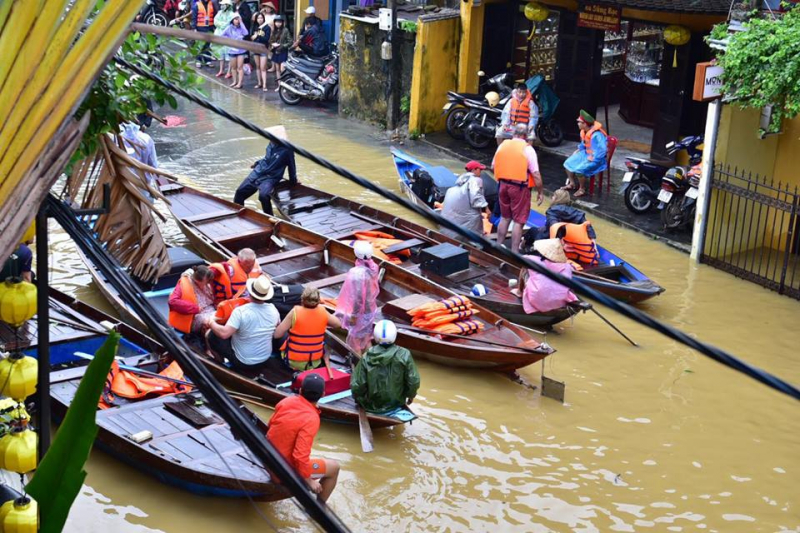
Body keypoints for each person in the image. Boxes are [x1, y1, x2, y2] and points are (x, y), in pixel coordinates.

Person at [267, 373, 340, 503]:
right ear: (323, 394)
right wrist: (308, 480)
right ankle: (319, 509)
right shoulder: (311, 418)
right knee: (334, 468)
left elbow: (270, 426)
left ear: (300, 390)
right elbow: (300, 455)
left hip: (266, 456)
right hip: (282, 470)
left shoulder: (286, 401)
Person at [206, 274, 281, 371]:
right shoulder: (273, 309)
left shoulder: (240, 311)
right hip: (265, 358)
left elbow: (224, 334)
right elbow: (277, 327)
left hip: (244, 362)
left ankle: (220, 365)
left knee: (211, 335)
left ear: (250, 292)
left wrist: (211, 322)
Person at [492, 123, 544, 253]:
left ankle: (498, 245)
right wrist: (540, 192)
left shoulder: (503, 145)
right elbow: (536, 174)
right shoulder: (528, 149)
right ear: (526, 136)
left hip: (503, 185)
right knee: (519, 221)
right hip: (519, 188)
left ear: (514, 133)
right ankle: (515, 252)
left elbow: (493, 166)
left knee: (505, 217)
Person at [351, 320, 420, 414]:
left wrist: (358, 400)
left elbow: (357, 386)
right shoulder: (404, 354)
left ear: (375, 336)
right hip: (396, 403)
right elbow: (413, 381)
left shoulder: (366, 356)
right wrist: (411, 396)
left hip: (370, 405)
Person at [274, 287, 342, 371]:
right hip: (314, 363)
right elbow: (338, 324)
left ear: (302, 300)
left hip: (292, 363)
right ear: (318, 301)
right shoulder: (323, 311)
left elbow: (277, 335)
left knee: (283, 334)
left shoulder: (294, 312)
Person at [233, 125, 297, 215]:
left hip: (271, 177)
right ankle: (238, 214)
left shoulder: (288, 150)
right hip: (258, 172)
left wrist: (293, 182)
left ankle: (269, 217)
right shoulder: (271, 143)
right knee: (240, 192)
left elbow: (292, 166)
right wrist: (257, 163)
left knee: (263, 196)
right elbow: (267, 158)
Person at [335, 241, 380, 355]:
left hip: (361, 313)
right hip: (371, 310)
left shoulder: (357, 274)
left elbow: (358, 298)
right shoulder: (374, 268)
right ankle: (371, 365)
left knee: (354, 342)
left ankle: (359, 369)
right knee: (366, 338)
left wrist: (354, 316)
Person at [511, 238, 578, 314]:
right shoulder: (568, 266)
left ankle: (519, 292)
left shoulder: (532, 259)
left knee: (525, 268)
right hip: (559, 301)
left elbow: (519, 258)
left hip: (537, 299)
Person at [523, 189, 597, 249]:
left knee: (532, 230)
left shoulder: (551, 211)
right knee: (541, 229)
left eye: (553, 196)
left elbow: (555, 227)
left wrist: (561, 244)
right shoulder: (575, 212)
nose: (552, 197)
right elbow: (588, 226)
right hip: (569, 239)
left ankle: (521, 247)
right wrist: (594, 243)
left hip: (551, 241)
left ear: (557, 198)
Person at [563, 110, 608, 198]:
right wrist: (578, 150)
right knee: (567, 163)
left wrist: (594, 159)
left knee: (579, 170)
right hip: (586, 154)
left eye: (579, 122)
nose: (578, 124)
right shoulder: (585, 132)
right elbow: (584, 144)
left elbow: (603, 150)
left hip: (597, 158)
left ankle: (582, 189)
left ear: (585, 124)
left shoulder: (597, 135)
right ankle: (572, 183)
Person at [440, 160, 489, 241]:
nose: (481, 172)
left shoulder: (459, 181)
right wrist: (487, 208)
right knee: (476, 216)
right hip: (466, 220)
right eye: (480, 170)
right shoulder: (476, 180)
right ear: (474, 170)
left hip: (447, 226)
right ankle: (476, 243)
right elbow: (476, 198)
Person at [168, 265, 216, 334]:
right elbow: (172, 302)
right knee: (210, 322)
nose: (207, 284)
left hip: (209, 309)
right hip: (194, 316)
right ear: (197, 281)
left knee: (220, 317)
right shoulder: (184, 283)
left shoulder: (208, 277)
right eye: (205, 282)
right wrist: (195, 308)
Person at [221, 13, 249, 89]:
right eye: (235, 19)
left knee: (240, 67)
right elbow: (221, 35)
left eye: (238, 19)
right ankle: (234, 81)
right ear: (232, 20)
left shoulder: (241, 27)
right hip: (232, 50)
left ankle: (240, 83)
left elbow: (246, 33)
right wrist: (228, 41)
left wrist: (242, 22)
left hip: (241, 50)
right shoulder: (229, 28)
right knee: (233, 67)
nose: (237, 21)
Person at [192, 0, 220, 67]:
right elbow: (194, 18)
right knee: (200, 45)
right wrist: (194, 28)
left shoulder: (212, 4)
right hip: (200, 27)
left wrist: (214, 27)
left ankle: (207, 60)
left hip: (209, 27)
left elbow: (214, 15)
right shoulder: (197, 5)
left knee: (208, 45)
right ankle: (198, 60)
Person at [269, 15, 292, 90]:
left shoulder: (285, 30)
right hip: (276, 51)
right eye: (276, 22)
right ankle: (280, 86)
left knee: (283, 69)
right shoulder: (274, 30)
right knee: (277, 69)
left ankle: (285, 86)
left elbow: (290, 42)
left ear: (282, 23)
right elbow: (270, 40)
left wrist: (282, 45)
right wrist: (273, 44)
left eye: (280, 22)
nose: (278, 24)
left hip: (283, 51)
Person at [213, 0, 235, 78]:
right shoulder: (219, 13)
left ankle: (229, 71)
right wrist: (221, 24)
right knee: (220, 53)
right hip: (219, 34)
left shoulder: (232, 14)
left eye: (224, 5)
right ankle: (221, 70)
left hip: (228, 36)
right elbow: (215, 21)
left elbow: (230, 24)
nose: (222, 6)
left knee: (229, 54)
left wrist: (222, 25)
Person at [250, 12, 271, 90]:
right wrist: (255, 36)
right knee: (258, 67)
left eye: (261, 18)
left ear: (263, 19)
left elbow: (266, 39)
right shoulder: (254, 27)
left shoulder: (267, 27)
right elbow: (251, 37)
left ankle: (264, 85)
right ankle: (259, 83)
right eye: (258, 18)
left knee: (263, 67)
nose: (260, 19)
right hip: (255, 48)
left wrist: (258, 35)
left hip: (263, 49)